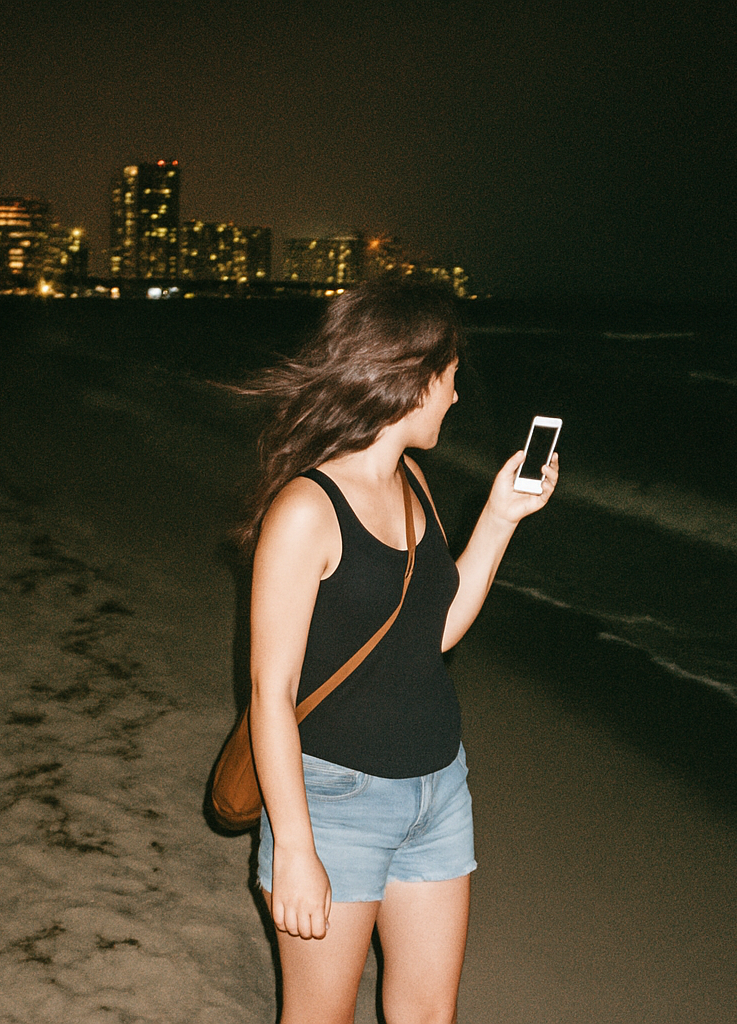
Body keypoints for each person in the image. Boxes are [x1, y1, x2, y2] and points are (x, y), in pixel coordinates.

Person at [242, 281, 558, 1024]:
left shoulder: (412, 480)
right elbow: (269, 692)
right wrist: (296, 847)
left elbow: (433, 633)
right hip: (333, 803)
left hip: (439, 790)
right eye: (450, 377)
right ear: (412, 379)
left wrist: (500, 517)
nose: (455, 396)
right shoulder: (306, 510)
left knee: (427, 1016)